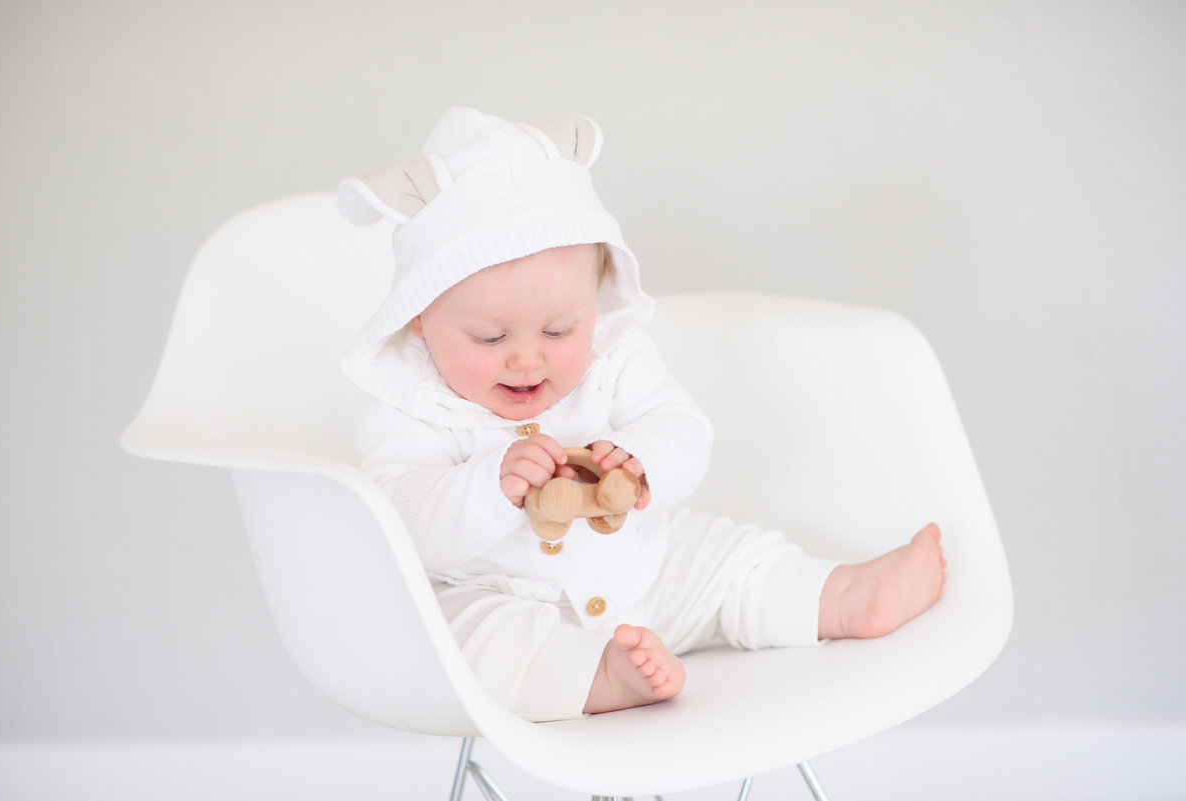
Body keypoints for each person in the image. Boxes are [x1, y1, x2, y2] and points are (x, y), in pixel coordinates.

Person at [338, 107, 946, 721]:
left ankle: (841, 597)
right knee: (472, 640)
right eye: (490, 339)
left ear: (593, 307)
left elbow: (682, 426)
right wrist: (487, 485)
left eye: (559, 329)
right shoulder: (408, 398)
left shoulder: (613, 358)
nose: (527, 360)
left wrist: (644, 457)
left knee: (726, 560)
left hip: (638, 567)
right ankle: (597, 677)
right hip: (500, 593)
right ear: (420, 317)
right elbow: (397, 516)